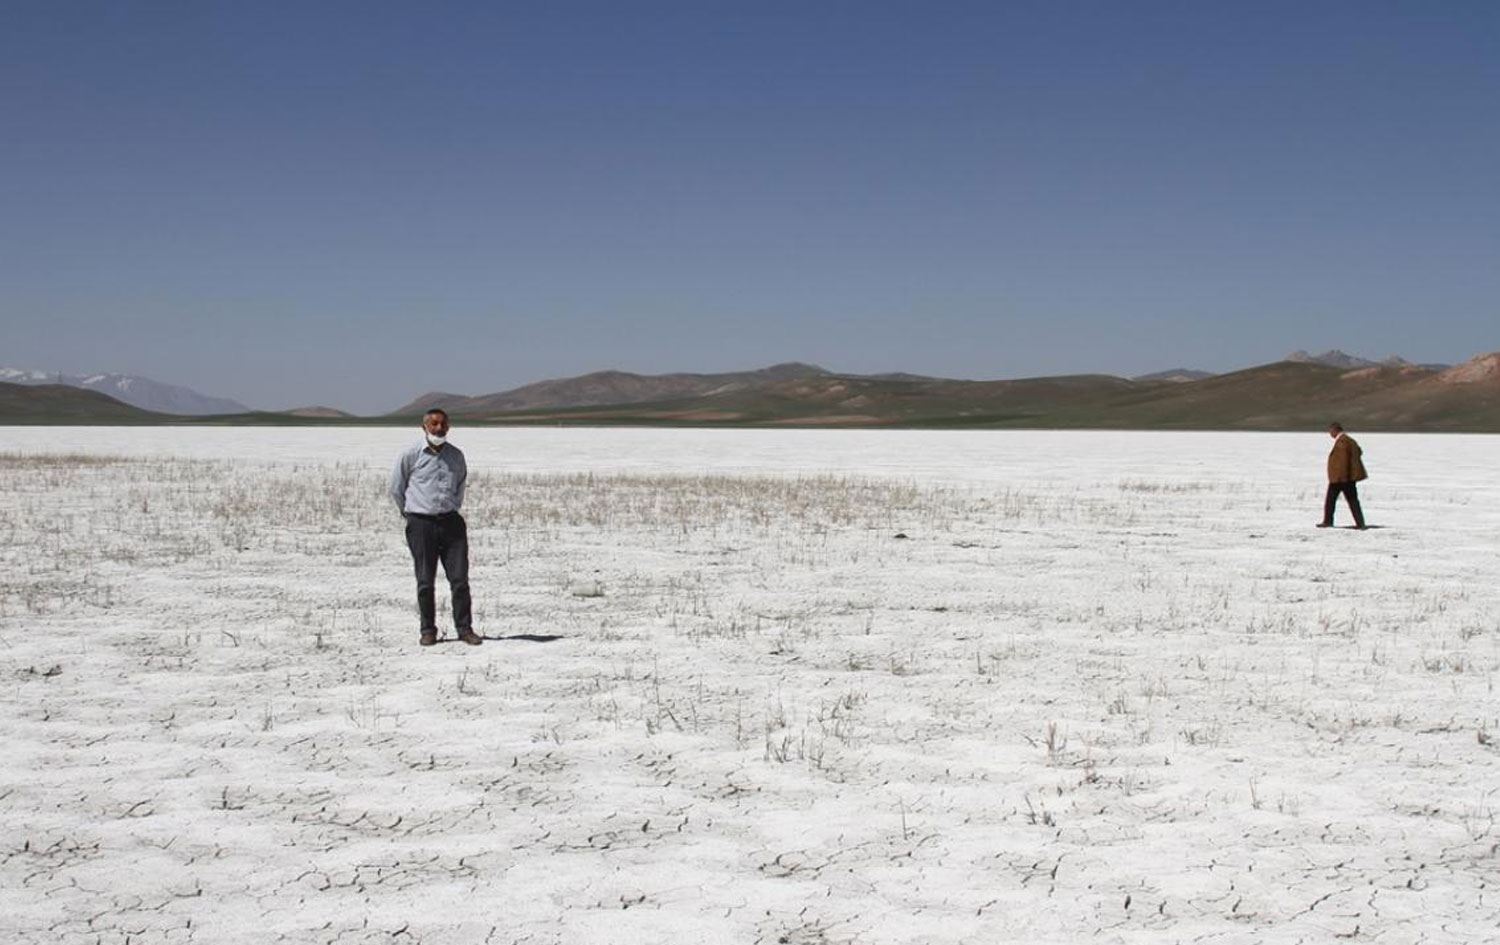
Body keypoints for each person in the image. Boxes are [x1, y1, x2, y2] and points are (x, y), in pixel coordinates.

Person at [390, 408, 481, 646]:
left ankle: (465, 629)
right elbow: (396, 488)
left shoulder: (456, 456)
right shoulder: (410, 455)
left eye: (443, 424)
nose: (439, 429)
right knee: (425, 581)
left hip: (451, 522)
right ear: (424, 427)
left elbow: (460, 485)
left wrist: (451, 509)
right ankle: (428, 630)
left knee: (460, 579)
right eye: (434, 424)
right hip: (421, 523)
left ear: (449, 428)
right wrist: (410, 514)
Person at [1318, 422, 1367, 530]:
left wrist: (1341, 476)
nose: (1330, 434)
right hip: (1348, 477)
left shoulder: (1342, 442)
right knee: (1353, 500)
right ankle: (1360, 523)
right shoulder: (1350, 440)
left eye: (1330, 431)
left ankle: (1328, 521)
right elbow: (1358, 451)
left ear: (1335, 430)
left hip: (1341, 478)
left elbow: (1343, 461)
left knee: (1331, 500)